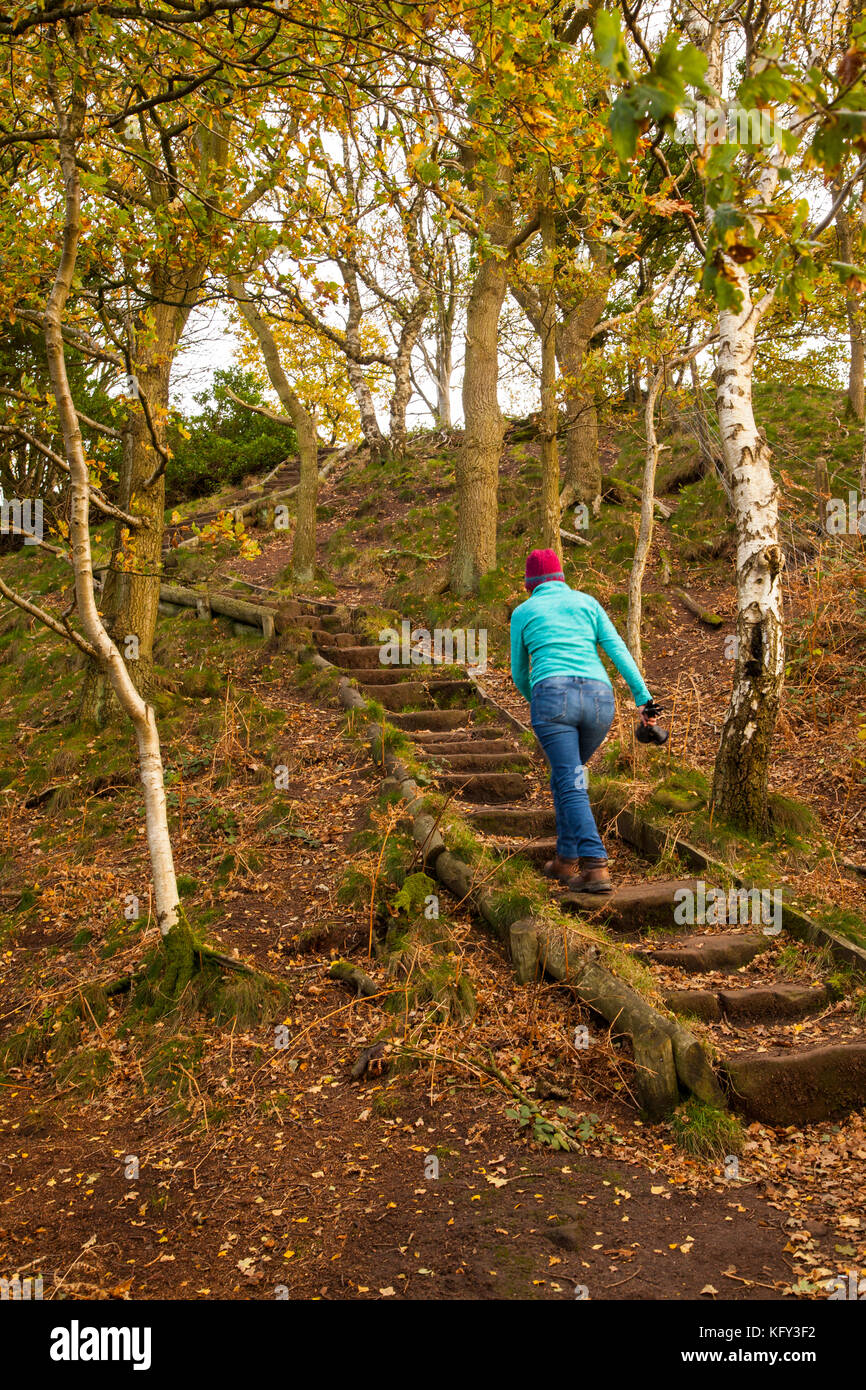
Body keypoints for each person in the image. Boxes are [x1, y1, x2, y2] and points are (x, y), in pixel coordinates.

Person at [510, 548, 658, 893]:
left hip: (552, 697)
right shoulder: (588, 603)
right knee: (567, 776)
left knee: (571, 779)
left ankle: (594, 865)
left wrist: (542, 703)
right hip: (599, 701)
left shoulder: (523, 611)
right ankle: (565, 859)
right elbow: (618, 650)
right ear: (561, 577)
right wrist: (644, 700)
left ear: (530, 585)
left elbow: (519, 672)